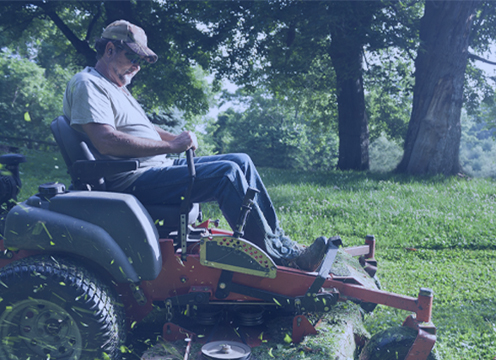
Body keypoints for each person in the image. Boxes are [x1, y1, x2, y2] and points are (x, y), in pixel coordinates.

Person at [63, 20, 327, 271]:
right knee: (226, 174)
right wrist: (172, 147)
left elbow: (141, 128)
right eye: (132, 58)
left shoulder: (115, 86)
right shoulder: (89, 84)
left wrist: (173, 138)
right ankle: (279, 257)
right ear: (110, 49)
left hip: (155, 168)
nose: (137, 67)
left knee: (241, 161)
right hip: (132, 178)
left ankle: (281, 243)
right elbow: (106, 141)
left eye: (141, 62)